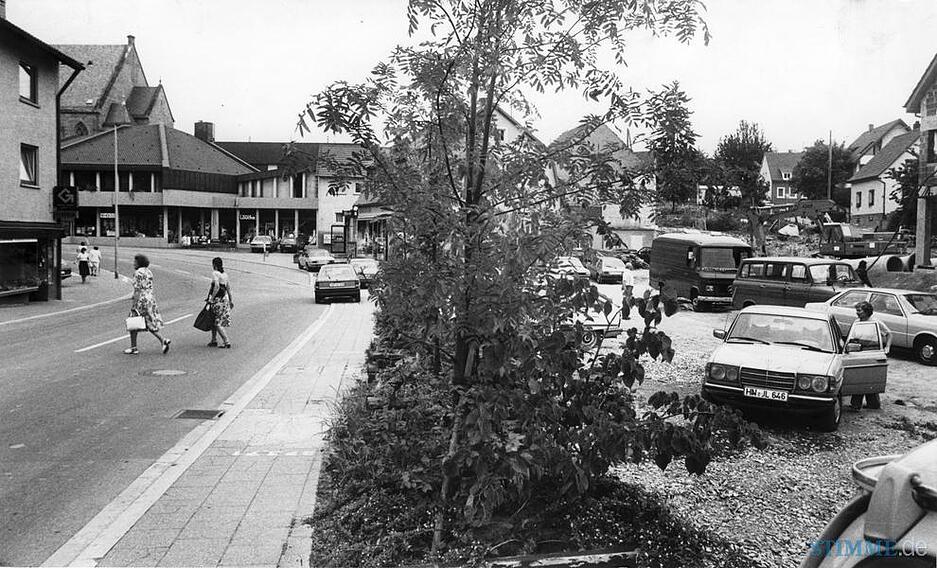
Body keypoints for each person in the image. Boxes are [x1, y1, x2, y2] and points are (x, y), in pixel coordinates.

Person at [847, 300, 890, 411]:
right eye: (857, 310)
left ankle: (873, 404)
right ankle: (856, 404)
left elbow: (889, 334)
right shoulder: (857, 322)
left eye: (859, 311)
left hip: (872, 350)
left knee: (871, 377)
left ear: (866, 311)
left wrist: (887, 347)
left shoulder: (875, 322)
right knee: (859, 378)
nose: (857, 313)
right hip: (858, 351)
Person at [125, 254, 171, 355]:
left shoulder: (138, 273)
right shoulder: (149, 272)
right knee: (148, 321)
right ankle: (162, 340)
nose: (133, 263)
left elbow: (137, 289)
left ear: (139, 263)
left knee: (133, 321)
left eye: (135, 262)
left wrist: (134, 303)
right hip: (150, 299)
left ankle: (134, 347)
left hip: (141, 300)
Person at [206, 257, 234, 348]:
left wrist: (211, 299)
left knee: (217, 323)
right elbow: (228, 289)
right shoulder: (225, 275)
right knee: (214, 319)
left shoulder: (215, 273)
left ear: (214, 265)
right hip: (224, 300)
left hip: (217, 300)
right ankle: (213, 340)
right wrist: (231, 301)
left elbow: (217, 286)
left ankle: (226, 342)